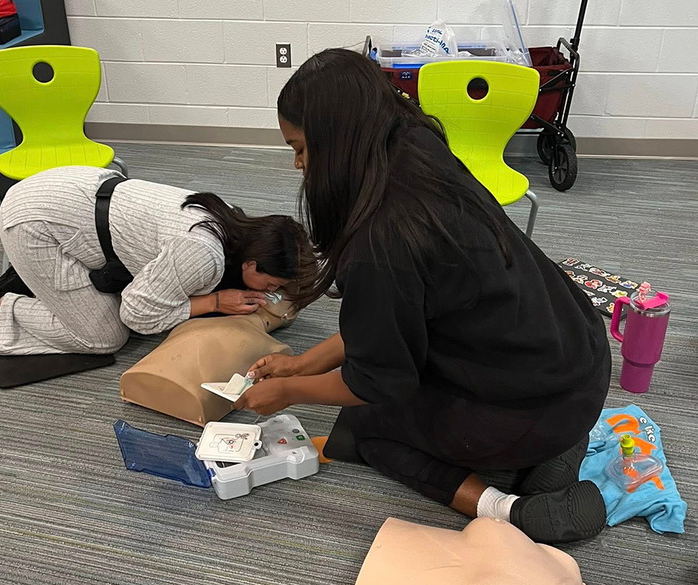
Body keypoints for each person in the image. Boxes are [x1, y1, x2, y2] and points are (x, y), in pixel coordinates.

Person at [234, 49, 611, 545]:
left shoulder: (380, 239)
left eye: (301, 148)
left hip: (536, 405)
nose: (299, 165)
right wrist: (303, 363)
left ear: (339, 142)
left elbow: (376, 380)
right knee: (396, 384)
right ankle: (556, 445)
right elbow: (393, 318)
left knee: (367, 428)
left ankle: (509, 510)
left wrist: (289, 391)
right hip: (580, 355)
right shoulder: (414, 141)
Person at [0, 166, 316, 356]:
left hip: (68, 192)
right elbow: (137, 314)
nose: (273, 293)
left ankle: (40, 277)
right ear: (251, 265)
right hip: (33, 221)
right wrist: (216, 302)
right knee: (104, 336)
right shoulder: (204, 254)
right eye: (274, 285)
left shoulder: (231, 222)